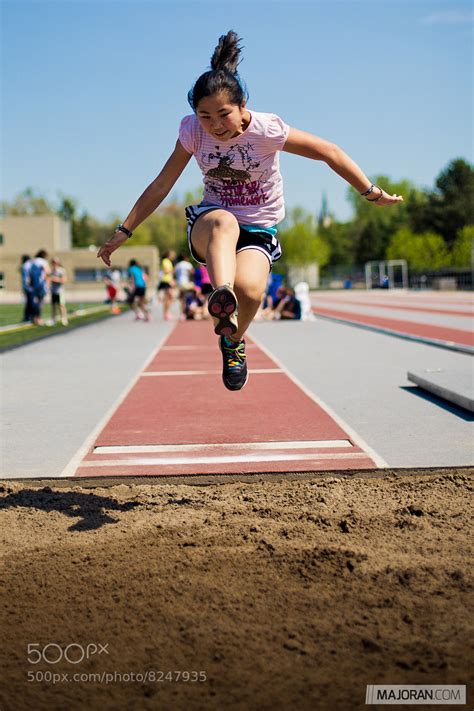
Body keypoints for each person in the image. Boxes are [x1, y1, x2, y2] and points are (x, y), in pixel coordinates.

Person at [98, 30, 403, 391]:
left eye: (223, 114)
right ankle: (221, 295)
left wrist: (370, 191)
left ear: (243, 106)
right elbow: (162, 183)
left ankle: (232, 340)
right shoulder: (192, 132)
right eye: (205, 115)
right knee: (224, 222)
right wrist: (125, 230)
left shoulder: (267, 129)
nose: (214, 125)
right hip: (211, 223)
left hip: (260, 226)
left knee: (254, 292)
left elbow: (328, 152)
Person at [29, 249, 50, 326]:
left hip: (34, 285)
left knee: (35, 301)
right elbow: (47, 271)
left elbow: (30, 274)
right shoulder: (43, 261)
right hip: (41, 284)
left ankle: (34, 317)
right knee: (40, 302)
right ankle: (39, 318)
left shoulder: (33, 261)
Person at [174, 253, 195, 319]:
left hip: (179, 283)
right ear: (185, 258)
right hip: (186, 283)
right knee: (195, 292)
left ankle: (182, 314)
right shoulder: (187, 264)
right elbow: (192, 272)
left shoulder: (177, 265)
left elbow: (174, 273)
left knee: (182, 299)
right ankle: (191, 309)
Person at [157, 250, 176, 320]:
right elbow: (166, 271)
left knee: (169, 297)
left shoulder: (169, 262)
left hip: (169, 280)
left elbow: (170, 273)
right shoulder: (165, 261)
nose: (173, 256)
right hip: (166, 280)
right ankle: (166, 313)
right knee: (169, 296)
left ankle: (167, 312)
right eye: (172, 254)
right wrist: (173, 270)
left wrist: (172, 279)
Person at [49, 258, 69, 326]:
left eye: (55, 262)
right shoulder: (51, 271)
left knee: (61, 305)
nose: (54, 263)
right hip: (53, 291)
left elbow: (64, 280)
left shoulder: (61, 270)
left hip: (60, 291)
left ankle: (64, 318)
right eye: (53, 262)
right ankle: (53, 319)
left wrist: (54, 279)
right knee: (53, 306)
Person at [20, 255, 34, 322]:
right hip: (30, 287)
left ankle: (27, 316)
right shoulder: (29, 265)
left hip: (28, 287)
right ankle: (29, 316)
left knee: (29, 302)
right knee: (30, 302)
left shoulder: (26, 265)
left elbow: (26, 278)